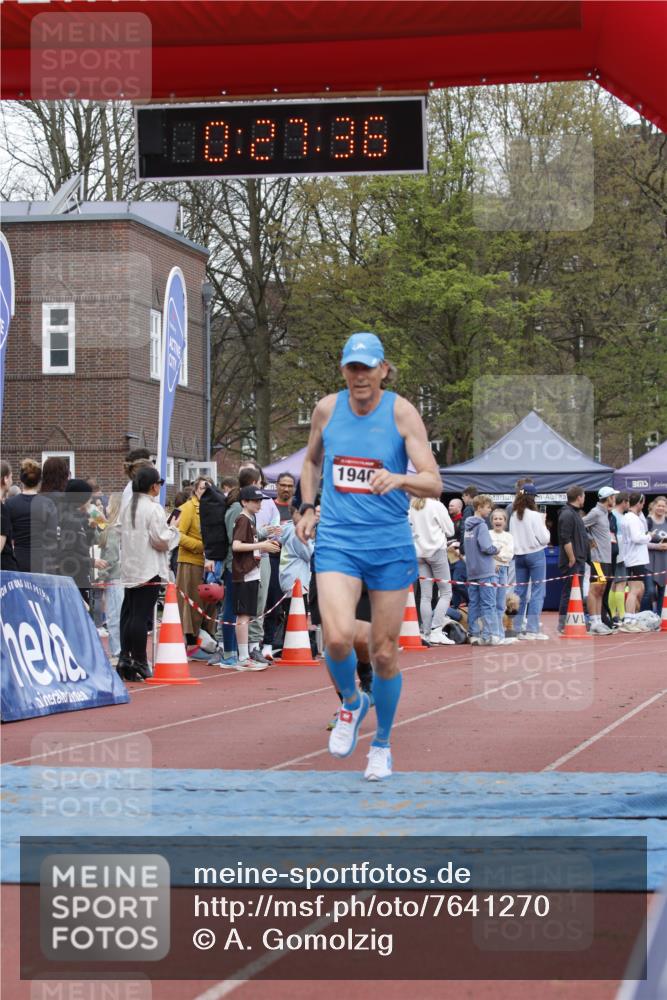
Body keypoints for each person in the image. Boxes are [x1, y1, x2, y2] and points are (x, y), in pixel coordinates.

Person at [297, 331, 442, 781]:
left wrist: (399, 479)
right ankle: (352, 702)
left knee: (382, 654)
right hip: (339, 539)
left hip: (388, 544)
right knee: (337, 639)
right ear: (343, 371)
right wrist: (305, 506)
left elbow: (433, 482)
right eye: (352, 368)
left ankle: (381, 745)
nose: (359, 376)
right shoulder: (327, 408)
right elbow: (311, 462)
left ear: (383, 369)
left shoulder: (401, 412)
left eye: (367, 367)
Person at [118, 467, 179, 681]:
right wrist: (173, 530)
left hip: (129, 565)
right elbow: (161, 539)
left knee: (129, 613)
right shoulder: (153, 509)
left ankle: (125, 657)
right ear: (154, 486)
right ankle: (139, 660)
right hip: (148, 567)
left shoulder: (127, 506)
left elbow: (118, 531)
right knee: (140, 616)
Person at [229, 484, 281, 671]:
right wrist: (262, 546)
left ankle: (245, 655)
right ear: (244, 502)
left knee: (247, 614)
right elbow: (236, 545)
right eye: (256, 501)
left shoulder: (250, 519)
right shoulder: (243, 519)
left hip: (251, 572)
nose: (260, 504)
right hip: (244, 572)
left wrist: (265, 536)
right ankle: (243, 656)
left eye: (261, 501)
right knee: (243, 615)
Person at [176, 476, 218, 656]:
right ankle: (192, 642)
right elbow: (177, 534)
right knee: (192, 604)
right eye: (202, 488)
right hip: (191, 562)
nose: (205, 491)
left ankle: (207, 640)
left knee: (210, 603)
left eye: (209, 488)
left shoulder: (214, 509)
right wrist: (201, 546)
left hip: (211, 563)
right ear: (195, 490)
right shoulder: (185, 509)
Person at [408, 496, 455, 645]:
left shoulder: (412, 506)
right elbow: (450, 530)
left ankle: (427, 632)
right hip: (436, 551)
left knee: (425, 596)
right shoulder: (437, 505)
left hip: (419, 553)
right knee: (446, 592)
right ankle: (436, 630)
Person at [509, 483, 551, 639]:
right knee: (537, 592)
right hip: (535, 553)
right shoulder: (535, 515)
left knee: (519, 592)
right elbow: (545, 538)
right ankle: (533, 629)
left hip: (519, 555)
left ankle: (516, 627)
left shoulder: (514, 515)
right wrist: (544, 523)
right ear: (532, 498)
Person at [5, 459, 58, 574]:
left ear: (21, 480)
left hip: (18, 560)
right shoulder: (48, 504)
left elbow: (7, 536)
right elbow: (52, 537)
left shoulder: (10, 504)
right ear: (40, 481)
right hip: (42, 561)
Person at [58, 479, 104, 608]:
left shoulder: (78, 518)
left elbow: (82, 544)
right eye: (89, 498)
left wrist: (91, 528)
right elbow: (67, 553)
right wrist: (92, 562)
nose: (91, 501)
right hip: (75, 577)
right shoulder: (70, 520)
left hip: (80, 574)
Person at [463, 494, 499, 645]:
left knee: (474, 603)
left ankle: (474, 633)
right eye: (488, 507)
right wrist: (495, 549)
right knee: (488, 603)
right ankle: (489, 635)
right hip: (485, 570)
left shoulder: (468, 526)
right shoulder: (482, 525)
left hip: (472, 570)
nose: (490, 510)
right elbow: (486, 547)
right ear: (480, 507)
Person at [582, 486, 619, 634]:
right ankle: (594, 622)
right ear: (609, 498)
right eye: (613, 497)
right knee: (595, 589)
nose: (615, 499)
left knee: (601, 589)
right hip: (598, 558)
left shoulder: (605, 513)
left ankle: (598, 621)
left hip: (606, 558)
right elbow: (580, 524)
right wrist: (590, 539)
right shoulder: (596, 512)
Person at [619, 493, 657, 632]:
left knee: (638, 588)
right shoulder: (631, 518)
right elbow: (636, 537)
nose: (644, 505)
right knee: (634, 590)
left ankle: (632, 618)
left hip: (634, 557)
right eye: (643, 502)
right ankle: (629, 620)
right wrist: (649, 536)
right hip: (635, 558)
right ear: (639, 503)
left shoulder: (631, 517)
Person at [557, 485, 590, 634]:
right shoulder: (567, 514)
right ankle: (563, 624)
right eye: (583, 496)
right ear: (579, 497)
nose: (584, 499)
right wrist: (571, 558)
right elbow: (565, 538)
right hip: (572, 561)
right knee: (569, 592)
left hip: (579, 560)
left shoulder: (574, 513)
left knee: (576, 592)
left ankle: (575, 621)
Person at [97, 493, 123, 664]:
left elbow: (111, 557)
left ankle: (117, 650)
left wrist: (102, 576)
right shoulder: (117, 528)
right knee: (118, 614)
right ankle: (120, 649)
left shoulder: (113, 529)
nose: (106, 507)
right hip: (122, 576)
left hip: (114, 577)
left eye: (108, 504)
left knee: (114, 616)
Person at [490, 508, 517, 643]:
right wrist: (498, 556)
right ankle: (492, 632)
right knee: (491, 602)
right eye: (495, 518)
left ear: (505, 522)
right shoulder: (488, 534)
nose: (498, 521)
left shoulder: (509, 536)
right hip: (491, 570)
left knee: (501, 603)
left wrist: (497, 555)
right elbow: (487, 552)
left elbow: (509, 555)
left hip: (504, 570)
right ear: (492, 521)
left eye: (501, 519)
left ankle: (500, 633)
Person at [609, 492, 630, 624]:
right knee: (620, 584)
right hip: (620, 554)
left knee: (613, 585)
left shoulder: (612, 515)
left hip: (612, 554)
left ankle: (613, 614)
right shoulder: (621, 517)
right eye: (628, 502)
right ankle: (621, 615)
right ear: (624, 502)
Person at [645, 496, 667, 613]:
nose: (661, 508)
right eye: (659, 505)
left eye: (663, 506)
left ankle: (658, 617)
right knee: (650, 592)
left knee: (663, 593)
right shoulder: (647, 521)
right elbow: (642, 542)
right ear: (653, 506)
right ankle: (645, 616)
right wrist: (658, 546)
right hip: (649, 562)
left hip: (664, 562)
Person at [1, 461, 19, 571]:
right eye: (11, 477)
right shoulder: (2, 510)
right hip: (5, 574)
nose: (12, 481)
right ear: (5, 479)